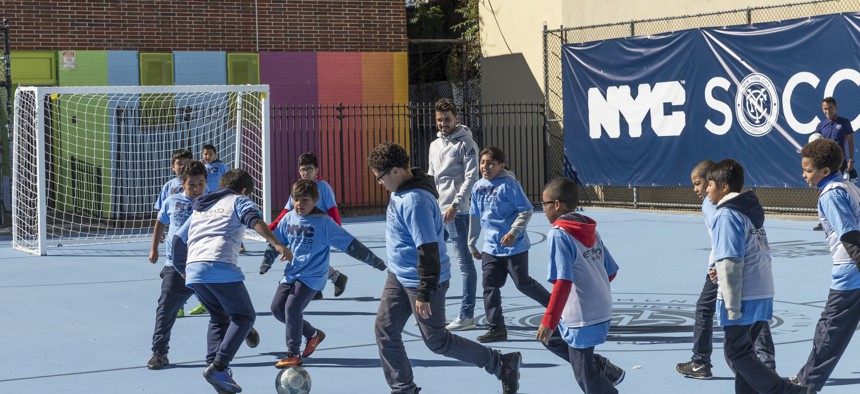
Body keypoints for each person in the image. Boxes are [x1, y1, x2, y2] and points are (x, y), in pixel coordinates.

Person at [368, 142, 521, 394]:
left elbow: (427, 249)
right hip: (399, 276)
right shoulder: (403, 189)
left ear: (395, 171)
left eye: (380, 177)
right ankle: (403, 388)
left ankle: (501, 363)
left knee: (437, 341)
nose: (380, 183)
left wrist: (425, 292)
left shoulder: (415, 201)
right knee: (385, 330)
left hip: (423, 281)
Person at [172, 169, 291, 394]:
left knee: (219, 318)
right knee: (244, 316)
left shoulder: (202, 206)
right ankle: (219, 367)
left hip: (194, 270)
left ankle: (215, 369)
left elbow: (177, 242)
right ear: (244, 190)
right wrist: (277, 244)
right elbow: (253, 219)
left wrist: (183, 270)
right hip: (218, 265)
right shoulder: (239, 200)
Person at [705, 159, 811, 393]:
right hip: (761, 291)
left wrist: (732, 307)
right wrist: (720, 272)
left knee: (736, 352)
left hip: (743, 296)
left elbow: (731, 262)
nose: (706, 190)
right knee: (747, 351)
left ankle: (786, 390)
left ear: (723, 187)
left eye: (709, 184)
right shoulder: (748, 210)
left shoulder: (726, 214)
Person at [268, 179, 387, 368]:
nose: (300, 204)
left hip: (313, 276)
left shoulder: (324, 223)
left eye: (305, 200)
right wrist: (268, 259)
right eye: (296, 199)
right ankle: (313, 334)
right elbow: (276, 241)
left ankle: (293, 353)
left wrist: (375, 261)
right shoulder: (288, 218)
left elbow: (351, 245)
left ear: (315, 200)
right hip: (291, 273)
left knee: (292, 308)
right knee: (277, 309)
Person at [676, 160, 776, 379]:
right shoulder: (748, 205)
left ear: (719, 185)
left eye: (700, 183)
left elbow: (726, 243)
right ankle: (766, 364)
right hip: (752, 279)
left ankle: (701, 361)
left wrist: (716, 267)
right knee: (754, 322)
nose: (698, 189)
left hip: (728, 271)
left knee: (734, 350)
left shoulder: (718, 208)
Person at [536, 177, 625, 393]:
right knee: (552, 339)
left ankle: (598, 370)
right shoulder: (590, 229)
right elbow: (610, 271)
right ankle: (601, 364)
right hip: (600, 307)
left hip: (581, 316)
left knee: (586, 376)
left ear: (556, 204)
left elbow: (563, 282)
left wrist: (549, 320)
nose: (543, 209)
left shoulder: (559, 234)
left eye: (544, 204)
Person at [792, 138, 860, 392]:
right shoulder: (847, 186)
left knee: (830, 330)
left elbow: (849, 235)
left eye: (808, 170)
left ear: (825, 171)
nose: (803, 174)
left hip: (850, 271)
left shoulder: (831, 194)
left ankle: (806, 385)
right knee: (828, 327)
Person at [470, 147, 550, 343]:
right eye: (482, 162)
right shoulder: (478, 186)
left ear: (501, 165)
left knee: (522, 283)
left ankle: (555, 308)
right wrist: (471, 242)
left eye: (490, 163)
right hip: (491, 248)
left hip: (514, 247)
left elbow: (526, 210)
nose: (485, 167)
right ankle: (496, 327)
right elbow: (475, 215)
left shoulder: (509, 185)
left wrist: (513, 232)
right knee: (489, 287)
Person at [146, 160, 207, 370]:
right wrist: (154, 247)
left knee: (227, 306)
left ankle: (244, 328)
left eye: (201, 184)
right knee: (165, 309)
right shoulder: (172, 201)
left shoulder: (211, 203)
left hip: (204, 265)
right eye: (192, 184)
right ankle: (160, 352)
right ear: (183, 183)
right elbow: (161, 221)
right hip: (175, 266)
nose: (197, 189)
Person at [261, 152, 348, 299]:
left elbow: (333, 211)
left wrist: (337, 233)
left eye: (308, 169)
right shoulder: (298, 188)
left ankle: (329, 280)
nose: (305, 173)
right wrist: (274, 226)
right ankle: (330, 281)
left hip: (318, 232)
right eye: (302, 169)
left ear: (316, 170)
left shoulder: (323, 187)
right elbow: (286, 211)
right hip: (300, 230)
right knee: (304, 259)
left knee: (307, 260)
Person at [427, 98, 481, 331]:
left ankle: (466, 314)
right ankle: (432, 308)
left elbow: (471, 177)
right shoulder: (434, 146)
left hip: (458, 213)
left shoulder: (466, 144)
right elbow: (434, 180)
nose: (443, 123)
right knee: (434, 260)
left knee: (465, 264)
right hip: (439, 212)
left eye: (447, 119)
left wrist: (456, 205)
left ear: (456, 118)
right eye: (439, 119)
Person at [813, 97, 855, 231]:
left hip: (840, 163)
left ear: (835, 107)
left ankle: (847, 218)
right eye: (825, 109)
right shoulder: (821, 125)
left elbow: (850, 142)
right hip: (824, 165)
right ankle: (824, 220)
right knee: (823, 190)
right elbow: (817, 144)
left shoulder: (844, 123)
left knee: (842, 190)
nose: (827, 111)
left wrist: (850, 160)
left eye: (830, 108)